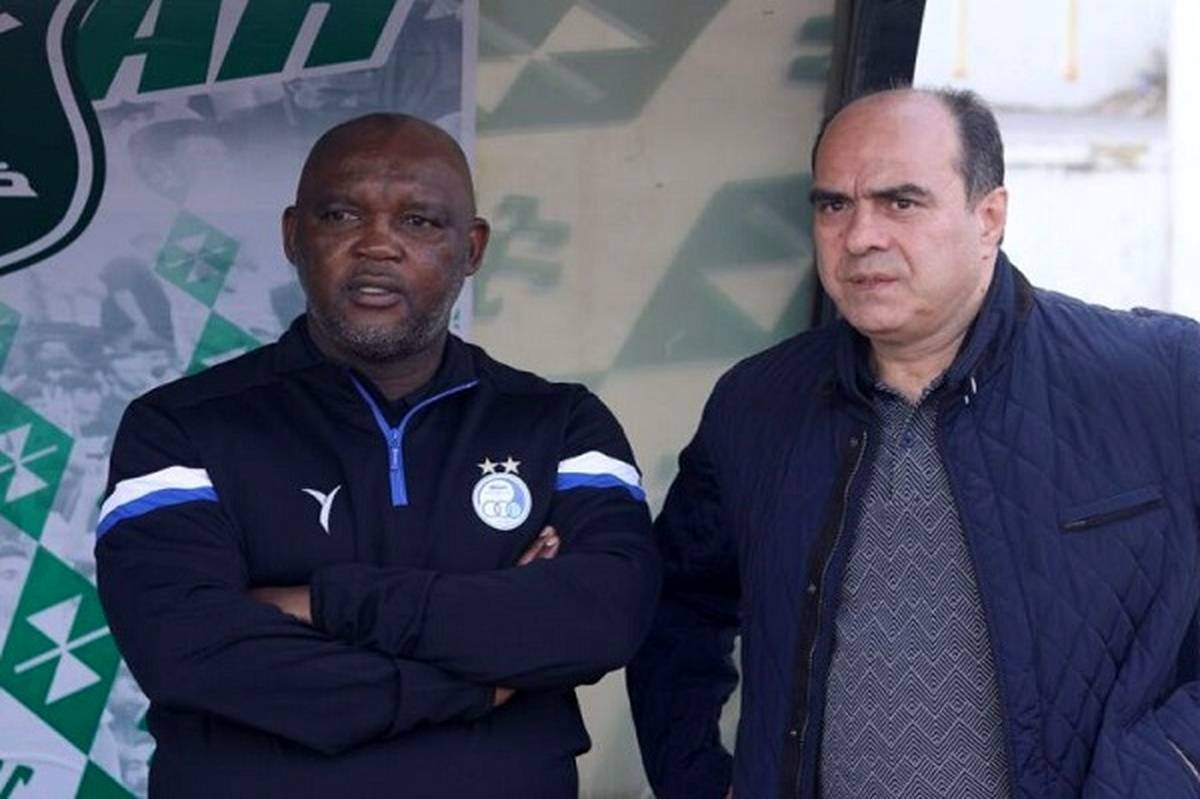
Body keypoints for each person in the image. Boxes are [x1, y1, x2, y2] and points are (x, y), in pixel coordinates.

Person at [626, 86, 1200, 799]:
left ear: (989, 217)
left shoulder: (1160, 378)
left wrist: (1167, 770)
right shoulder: (757, 406)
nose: (859, 236)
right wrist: (698, 781)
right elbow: (673, 609)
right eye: (834, 205)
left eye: (901, 202)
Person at [95, 113, 660, 798]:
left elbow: (602, 616)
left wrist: (324, 602)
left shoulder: (559, 423)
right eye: (341, 214)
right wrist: (475, 683)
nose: (377, 245)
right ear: (293, 235)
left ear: (472, 248)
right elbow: (190, 649)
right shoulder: (179, 426)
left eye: (419, 221)